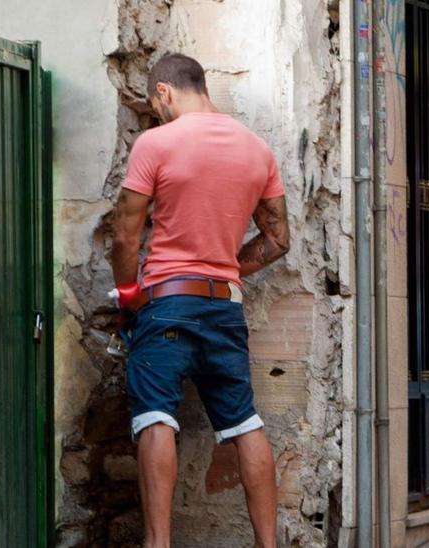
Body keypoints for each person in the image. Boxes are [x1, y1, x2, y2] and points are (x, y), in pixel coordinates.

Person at [109, 53, 288, 548]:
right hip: (224, 306)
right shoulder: (258, 151)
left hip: (166, 303)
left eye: (155, 105)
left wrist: (129, 298)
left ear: (164, 93)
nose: (157, 114)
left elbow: (125, 237)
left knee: (155, 417)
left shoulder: (155, 143)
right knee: (244, 420)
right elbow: (277, 240)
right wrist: (225, 265)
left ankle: (158, 543)